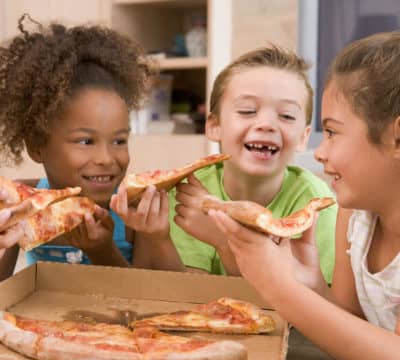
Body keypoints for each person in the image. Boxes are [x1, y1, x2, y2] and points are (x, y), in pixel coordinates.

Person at [209, 31, 400, 360]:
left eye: (332, 133)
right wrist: (312, 285)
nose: (320, 153)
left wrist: (279, 288)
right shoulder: (356, 215)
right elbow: (348, 324)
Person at [112, 45, 337, 280]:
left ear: (303, 137)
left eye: (287, 116)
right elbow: (188, 300)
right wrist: (157, 237)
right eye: (248, 111)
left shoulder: (315, 207)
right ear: (214, 126)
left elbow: (306, 306)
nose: (267, 124)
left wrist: (223, 239)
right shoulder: (191, 193)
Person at [0, 15, 154, 280]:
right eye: (86, 141)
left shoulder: (135, 213)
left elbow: (150, 301)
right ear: (37, 146)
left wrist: (103, 251)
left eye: (119, 140)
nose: (106, 158)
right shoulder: (24, 205)